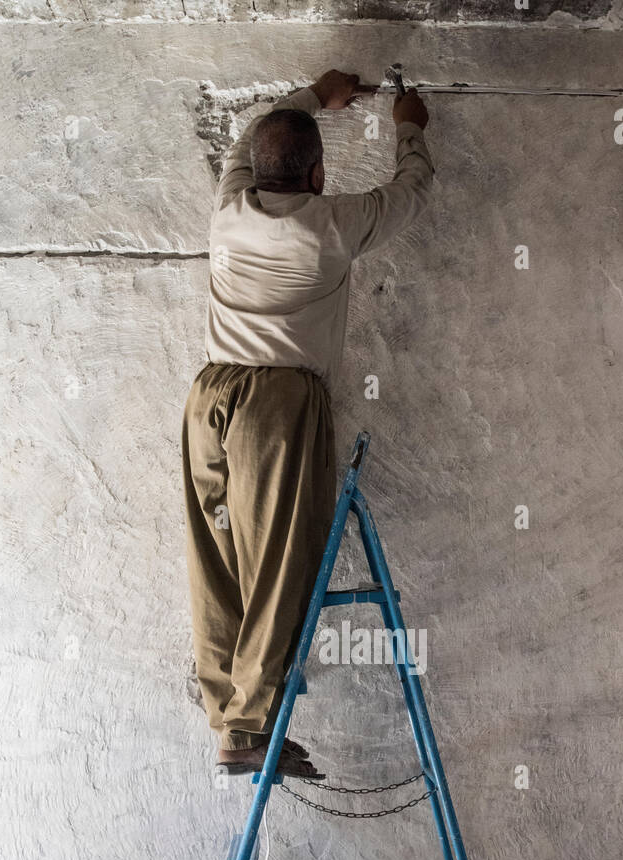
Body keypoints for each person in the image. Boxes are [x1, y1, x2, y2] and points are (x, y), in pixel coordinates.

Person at [182, 68, 433, 780]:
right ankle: (251, 722)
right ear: (320, 175)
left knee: (217, 563)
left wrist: (313, 99)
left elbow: (250, 133)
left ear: (256, 171)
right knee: (279, 567)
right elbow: (411, 191)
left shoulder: (227, 206)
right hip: (278, 408)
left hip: (207, 400)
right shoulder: (333, 225)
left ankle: (229, 720)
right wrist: (408, 124)